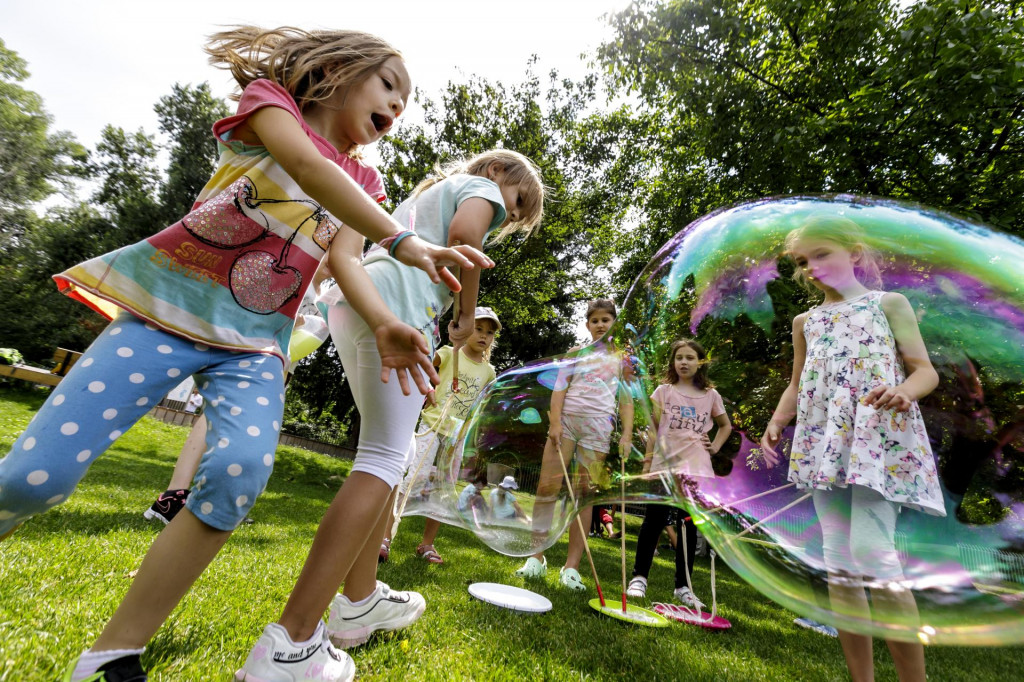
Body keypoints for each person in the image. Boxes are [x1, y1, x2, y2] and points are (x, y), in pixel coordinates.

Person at [0, 26, 488, 682]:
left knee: (235, 474)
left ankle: (113, 655)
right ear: (340, 70)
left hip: (254, 347)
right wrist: (403, 241)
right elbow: (311, 168)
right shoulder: (268, 107)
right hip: (166, 314)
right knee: (33, 482)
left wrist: (385, 322)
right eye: (390, 86)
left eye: (407, 101)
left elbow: (346, 259)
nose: (398, 107)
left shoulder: (366, 179)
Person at [275, 148, 541, 672]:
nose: (505, 216)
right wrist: (464, 316)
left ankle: (359, 601)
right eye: (514, 204)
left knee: (386, 455)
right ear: (497, 174)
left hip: (357, 303)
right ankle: (293, 639)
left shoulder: (421, 197)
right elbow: (466, 240)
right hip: (395, 312)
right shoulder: (479, 189)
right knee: (381, 461)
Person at [760, 216, 945, 682]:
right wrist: (778, 419)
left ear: (854, 254)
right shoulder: (807, 321)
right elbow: (798, 384)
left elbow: (925, 370)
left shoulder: (888, 304)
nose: (812, 267)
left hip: (874, 437)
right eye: (803, 261)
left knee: (871, 549)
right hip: (824, 438)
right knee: (838, 560)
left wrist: (906, 391)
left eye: (822, 254)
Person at [143, 264, 333, 526]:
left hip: (278, 367)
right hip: (251, 359)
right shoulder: (298, 274)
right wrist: (294, 317)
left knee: (237, 432)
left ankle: (209, 500)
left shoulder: (323, 293)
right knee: (214, 420)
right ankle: (173, 497)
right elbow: (258, 305)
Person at [515, 299, 634, 591]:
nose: (601, 325)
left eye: (606, 319)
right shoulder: (576, 354)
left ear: (613, 323)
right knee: (547, 488)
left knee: (583, 496)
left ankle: (571, 568)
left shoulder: (621, 360)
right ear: (588, 325)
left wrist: (627, 435)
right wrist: (554, 424)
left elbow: (627, 400)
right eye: (595, 320)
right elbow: (559, 391)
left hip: (598, 429)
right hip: (567, 424)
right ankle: (536, 557)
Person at [381, 307, 501, 565]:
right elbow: (422, 375)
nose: (483, 336)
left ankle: (426, 544)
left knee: (443, 490)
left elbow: (481, 405)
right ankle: (385, 536)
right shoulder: (447, 354)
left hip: (456, 437)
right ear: (464, 328)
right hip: (431, 427)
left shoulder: (489, 372)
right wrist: (427, 391)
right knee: (412, 479)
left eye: (489, 332)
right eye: (478, 329)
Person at [626, 339, 731, 608]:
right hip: (665, 465)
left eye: (690, 358)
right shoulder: (663, 392)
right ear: (673, 362)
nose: (684, 362)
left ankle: (683, 587)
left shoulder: (711, 395)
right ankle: (639, 578)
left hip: (697, 469)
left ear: (700, 363)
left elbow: (725, 426)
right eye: (679, 358)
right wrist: (647, 463)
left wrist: (715, 447)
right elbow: (652, 429)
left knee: (688, 527)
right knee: (654, 520)